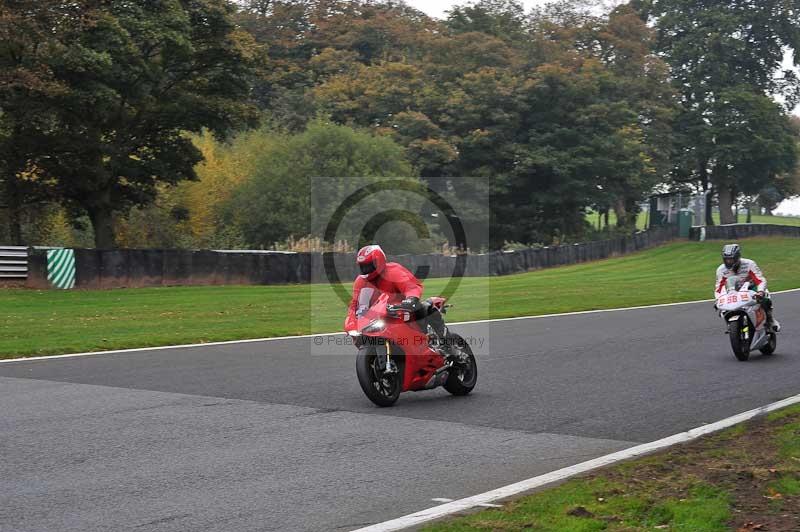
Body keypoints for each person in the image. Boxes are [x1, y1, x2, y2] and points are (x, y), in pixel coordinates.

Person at [344, 244, 450, 349]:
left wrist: (411, 299)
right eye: (363, 266)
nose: (366, 269)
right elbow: (356, 305)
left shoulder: (393, 271)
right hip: (382, 315)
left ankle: (444, 341)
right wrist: (351, 323)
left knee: (423, 308)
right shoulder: (361, 281)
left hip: (403, 308)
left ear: (379, 261)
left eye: (369, 265)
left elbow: (410, 287)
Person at [715, 243, 780, 332]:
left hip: (751, 287)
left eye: (731, 259)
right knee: (722, 309)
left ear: (737, 257)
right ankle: (731, 326)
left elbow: (760, 280)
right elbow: (719, 287)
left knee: (765, 298)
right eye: (726, 259)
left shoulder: (749, 264)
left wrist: (760, 291)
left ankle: (770, 320)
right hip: (732, 290)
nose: (728, 262)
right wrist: (718, 298)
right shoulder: (721, 270)